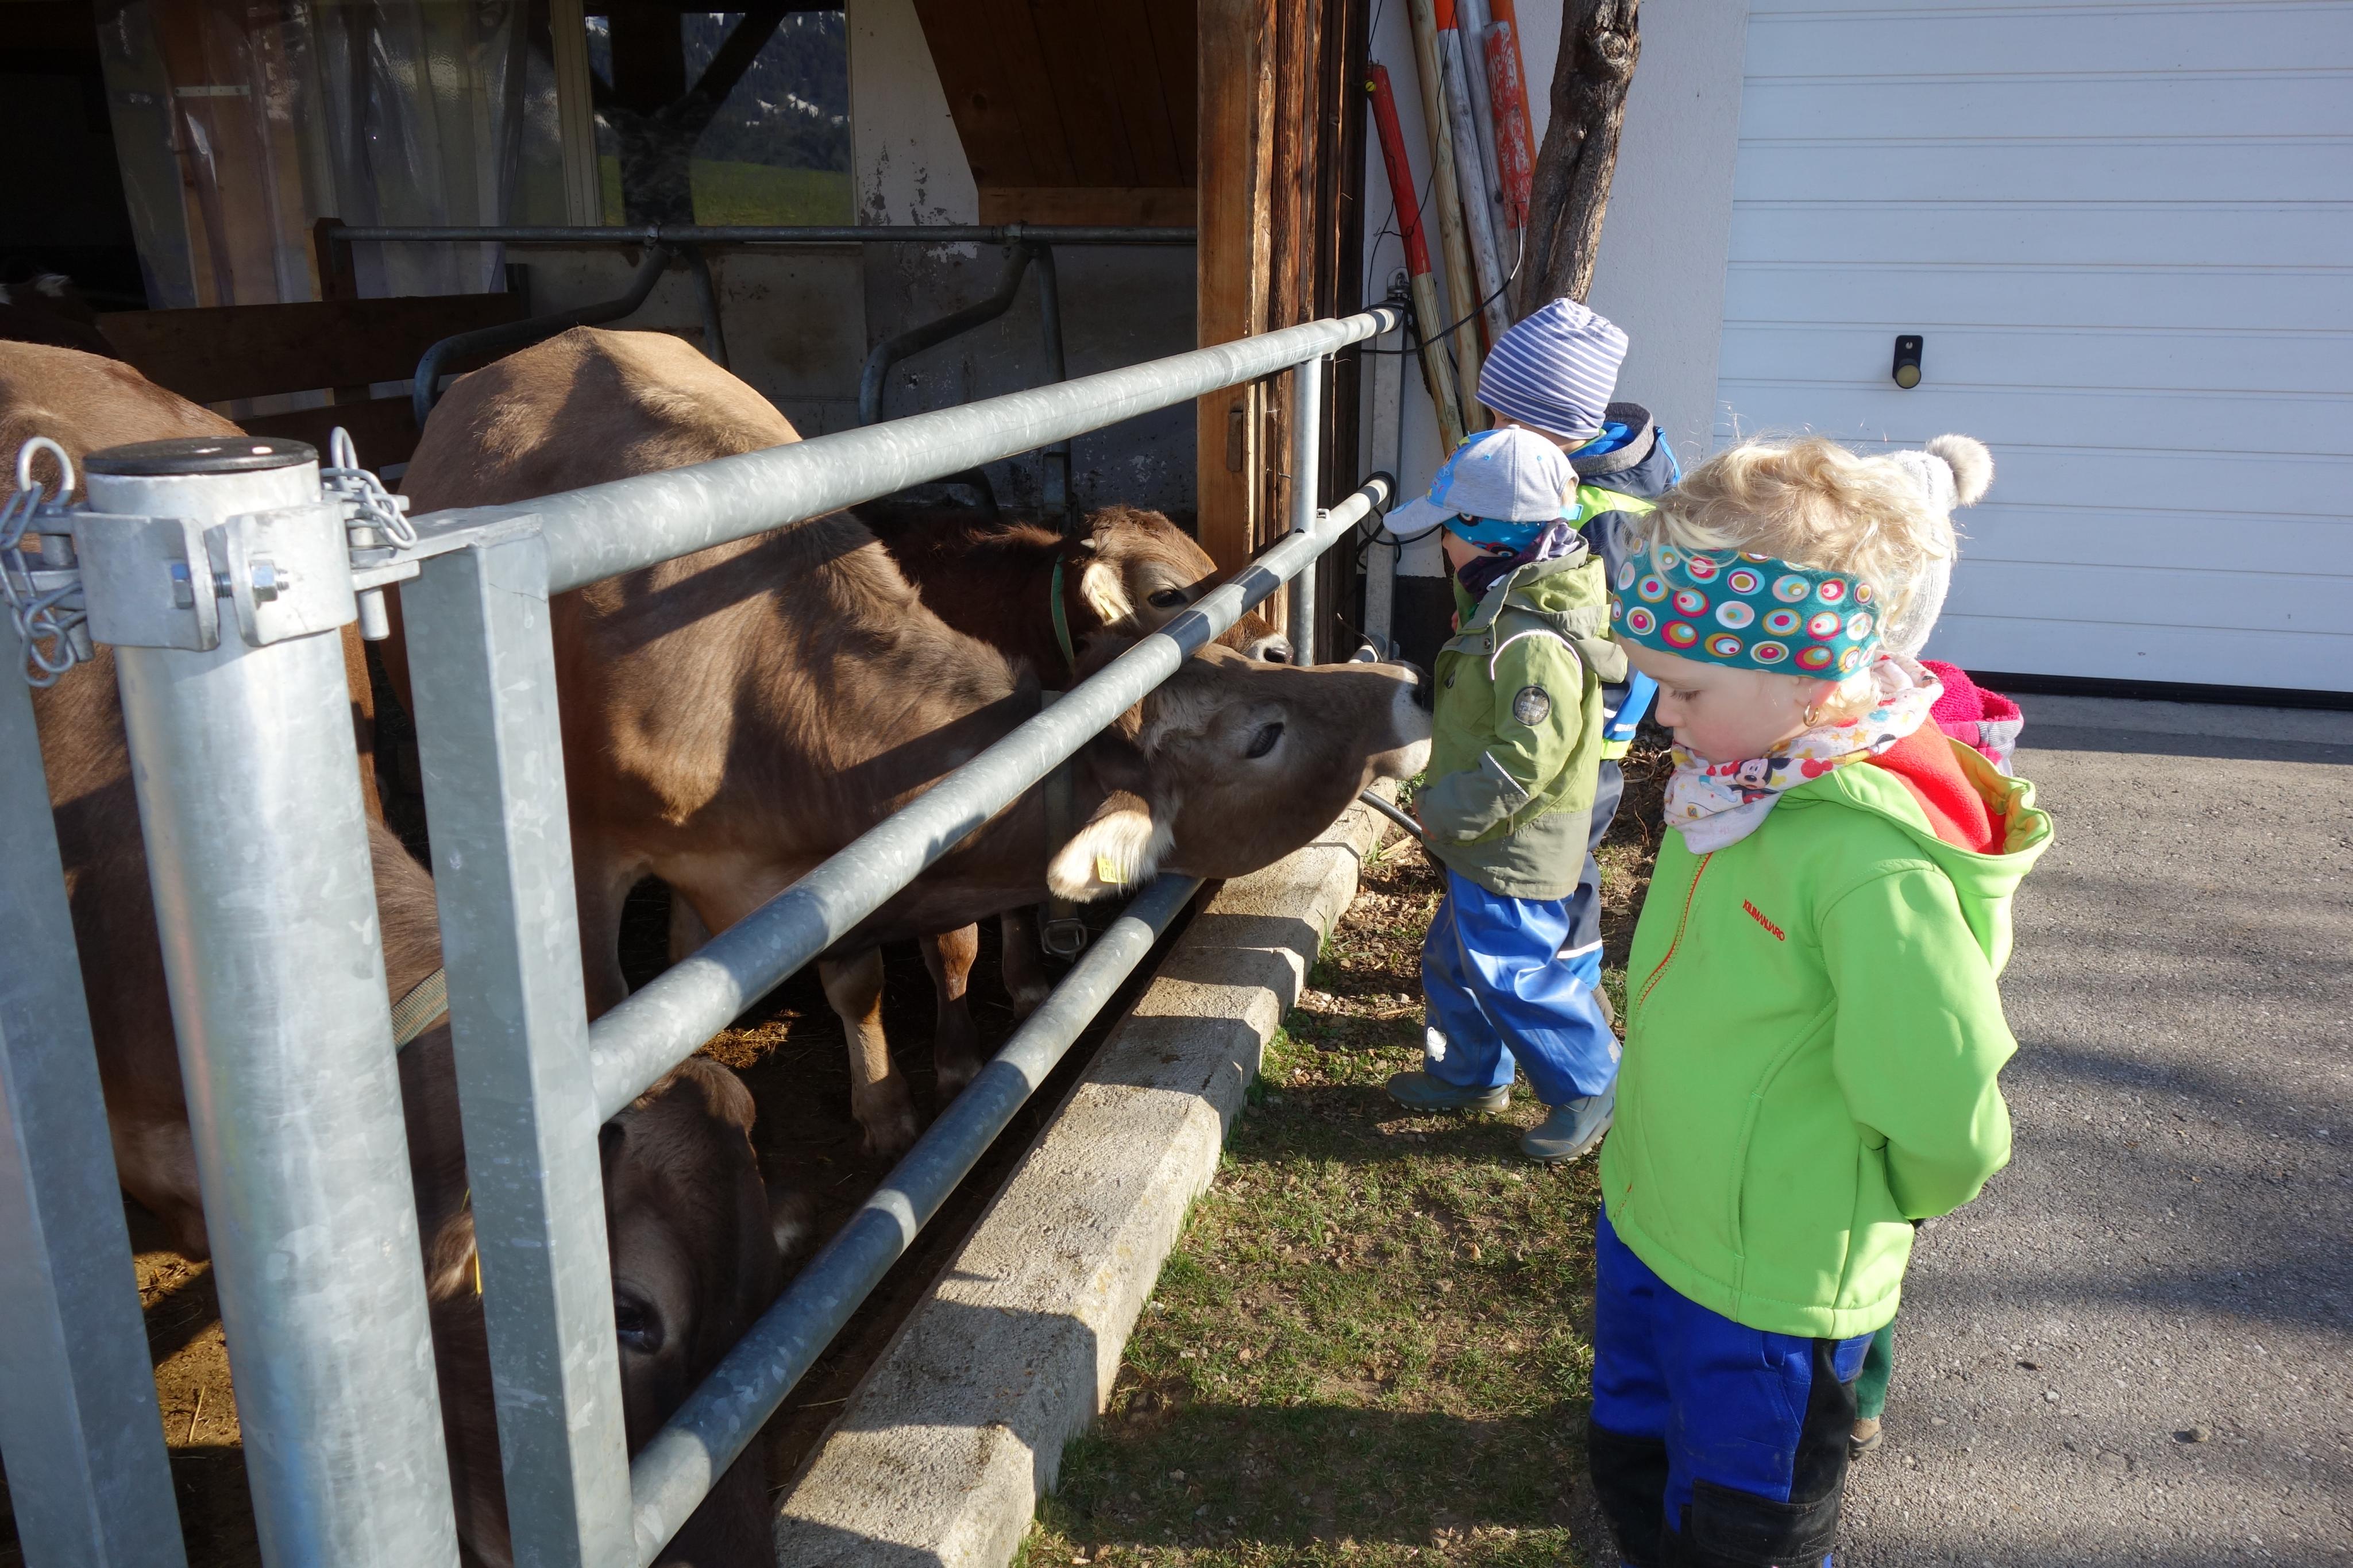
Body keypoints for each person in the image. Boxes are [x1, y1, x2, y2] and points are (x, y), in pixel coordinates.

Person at [1585, 432, 2053, 1565]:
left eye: (1683, 690)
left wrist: (1866, 1203)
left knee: (1745, 1524)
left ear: (1801, 672)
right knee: (1636, 1468)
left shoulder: (1866, 862)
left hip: (1776, 1285)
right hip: (1654, 1215)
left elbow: (1944, 1102)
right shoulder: (1731, 781)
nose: (1659, 718)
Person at [1378, 424, 1626, 1163]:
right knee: (1456, 959)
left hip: (1514, 838)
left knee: (1515, 972)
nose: (1441, 544)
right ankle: (1468, 1072)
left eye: (1448, 530)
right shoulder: (1500, 607)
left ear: (1491, 538)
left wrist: (1447, 809)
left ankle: (1590, 1084)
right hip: (1483, 835)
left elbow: (1528, 759)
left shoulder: (1530, 638)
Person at [1474, 301, 1680, 1030]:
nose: (1495, 431)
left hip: (1584, 727)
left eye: (1506, 420)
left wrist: (1589, 724)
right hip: (1560, 711)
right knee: (1551, 853)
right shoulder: (1593, 473)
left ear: (1551, 425)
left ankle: (1572, 988)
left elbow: (1615, 635)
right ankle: (1539, 976)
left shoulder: (1603, 513)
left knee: (1561, 859)